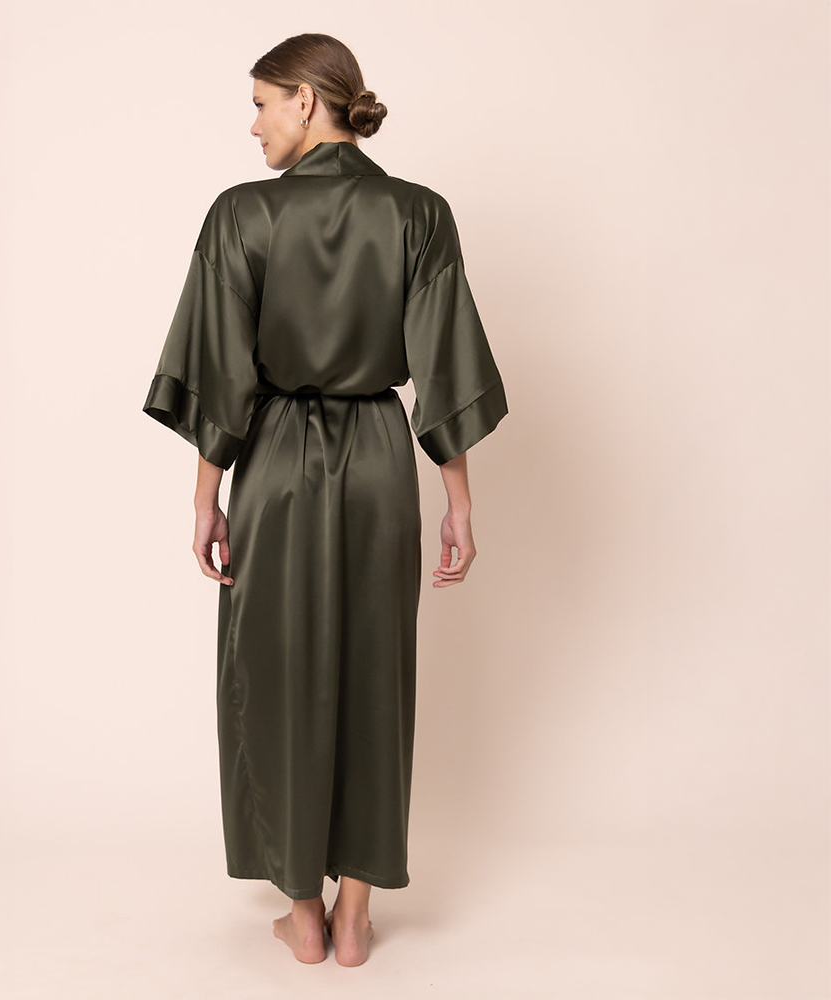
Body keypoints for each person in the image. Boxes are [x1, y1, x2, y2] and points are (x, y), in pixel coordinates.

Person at [142, 33, 508, 967]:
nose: (254, 124)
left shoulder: (241, 215)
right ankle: (355, 916)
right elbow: (444, 368)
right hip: (381, 461)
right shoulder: (420, 214)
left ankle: (300, 912)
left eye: (262, 102)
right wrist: (459, 501)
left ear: (307, 100)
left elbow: (220, 375)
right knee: (376, 670)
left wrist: (205, 499)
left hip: (274, 465)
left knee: (272, 670)